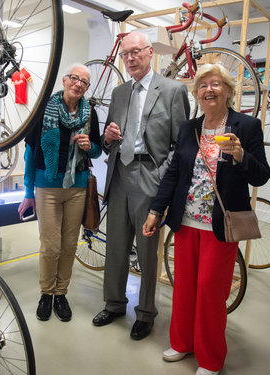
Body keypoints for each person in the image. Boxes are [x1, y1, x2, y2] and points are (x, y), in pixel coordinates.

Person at [142, 63, 270, 375]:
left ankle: (210, 357)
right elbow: (174, 173)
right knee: (184, 286)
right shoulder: (190, 128)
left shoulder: (247, 126)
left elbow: (262, 175)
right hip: (185, 223)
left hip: (219, 224)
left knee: (211, 291)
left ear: (228, 91)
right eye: (203, 85)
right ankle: (182, 342)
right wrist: (155, 210)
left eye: (216, 84)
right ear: (197, 94)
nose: (208, 90)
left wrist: (241, 156)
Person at [91, 31, 190, 341]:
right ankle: (115, 303)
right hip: (118, 174)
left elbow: (181, 144)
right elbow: (110, 139)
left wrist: (161, 178)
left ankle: (146, 313)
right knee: (116, 246)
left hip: (150, 175)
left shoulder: (173, 91)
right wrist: (107, 139)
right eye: (125, 54)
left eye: (136, 51)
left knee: (147, 251)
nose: (130, 58)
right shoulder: (119, 93)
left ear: (150, 53)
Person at [18, 63, 102, 322]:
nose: (78, 84)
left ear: (87, 88)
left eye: (84, 81)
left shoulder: (90, 113)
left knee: (68, 246)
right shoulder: (45, 109)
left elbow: (98, 151)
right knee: (50, 246)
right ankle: (46, 293)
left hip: (77, 187)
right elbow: (31, 152)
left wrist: (90, 146)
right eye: (74, 78)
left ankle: (61, 293)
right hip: (48, 186)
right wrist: (28, 191)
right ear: (65, 80)